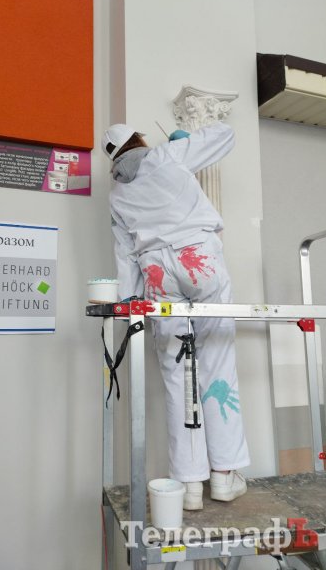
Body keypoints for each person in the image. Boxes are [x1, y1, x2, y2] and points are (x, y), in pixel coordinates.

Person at [101, 122, 250, 511]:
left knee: (177, 375)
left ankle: (189, 484)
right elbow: (225, 134)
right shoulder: (167, 155)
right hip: (197, 259)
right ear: (139, 138)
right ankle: (224, 476)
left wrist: (130, 303)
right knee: (217, 364)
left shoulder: (117, 194)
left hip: (156, 273)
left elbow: (124, 255)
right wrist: (183, 140)